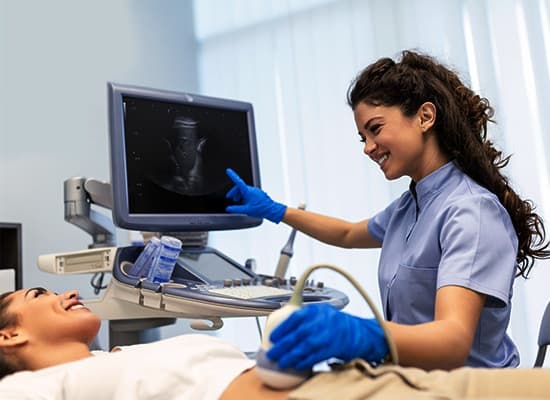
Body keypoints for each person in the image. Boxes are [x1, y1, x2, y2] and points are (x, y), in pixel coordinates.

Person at [224, 49, 550, 372]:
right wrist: (276, 210)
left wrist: (365, 334)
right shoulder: (412, 205)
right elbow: (348, 234)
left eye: (375, 129)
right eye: (362, 137)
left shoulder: (472, 212)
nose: (367, 147)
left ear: (425, 117)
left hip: (471, 390)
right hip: (416, 381)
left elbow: (453, 342)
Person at [2, 287, 550, 400]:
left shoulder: (122, 360)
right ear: (10, 334)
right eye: (39, 291)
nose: (67, 292)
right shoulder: (41, 387)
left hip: (370, 383)